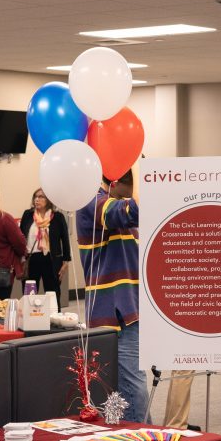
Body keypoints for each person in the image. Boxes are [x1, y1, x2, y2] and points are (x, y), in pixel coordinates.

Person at [77, 171, 147, 423]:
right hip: (114, 313)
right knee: (131, 386)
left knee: (124, 388)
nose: (133, 195)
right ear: (116, 181)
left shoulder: (111, 210)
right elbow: (134, 210)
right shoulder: (90, 201)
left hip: (130, 310)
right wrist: (138, 170)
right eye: (132, 188)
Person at [19, 188, 71, 306]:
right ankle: (30, 319)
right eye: (35, 197)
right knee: (29, 294)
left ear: (48, 200)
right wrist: (20, 257)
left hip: (51, 260)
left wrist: (66, 260)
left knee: (52, 293)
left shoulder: (57, 217)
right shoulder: (28, 215)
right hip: (31, 259)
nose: (37, 199)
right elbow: (20, 236)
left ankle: (54, 319)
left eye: (41, 197)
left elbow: (65, 239)